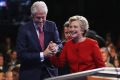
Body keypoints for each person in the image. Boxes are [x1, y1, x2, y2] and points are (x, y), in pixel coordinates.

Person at [15, 1, 62, 80]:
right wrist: (43, 54)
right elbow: (21, 54)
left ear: (46, 15)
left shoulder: (52, 25)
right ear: (32, 16)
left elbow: (60, 44)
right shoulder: (23, 29)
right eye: (38, 17)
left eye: (43, 17)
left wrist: (56, 48)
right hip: (30, 74)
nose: (40, 20)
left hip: (50, 73)